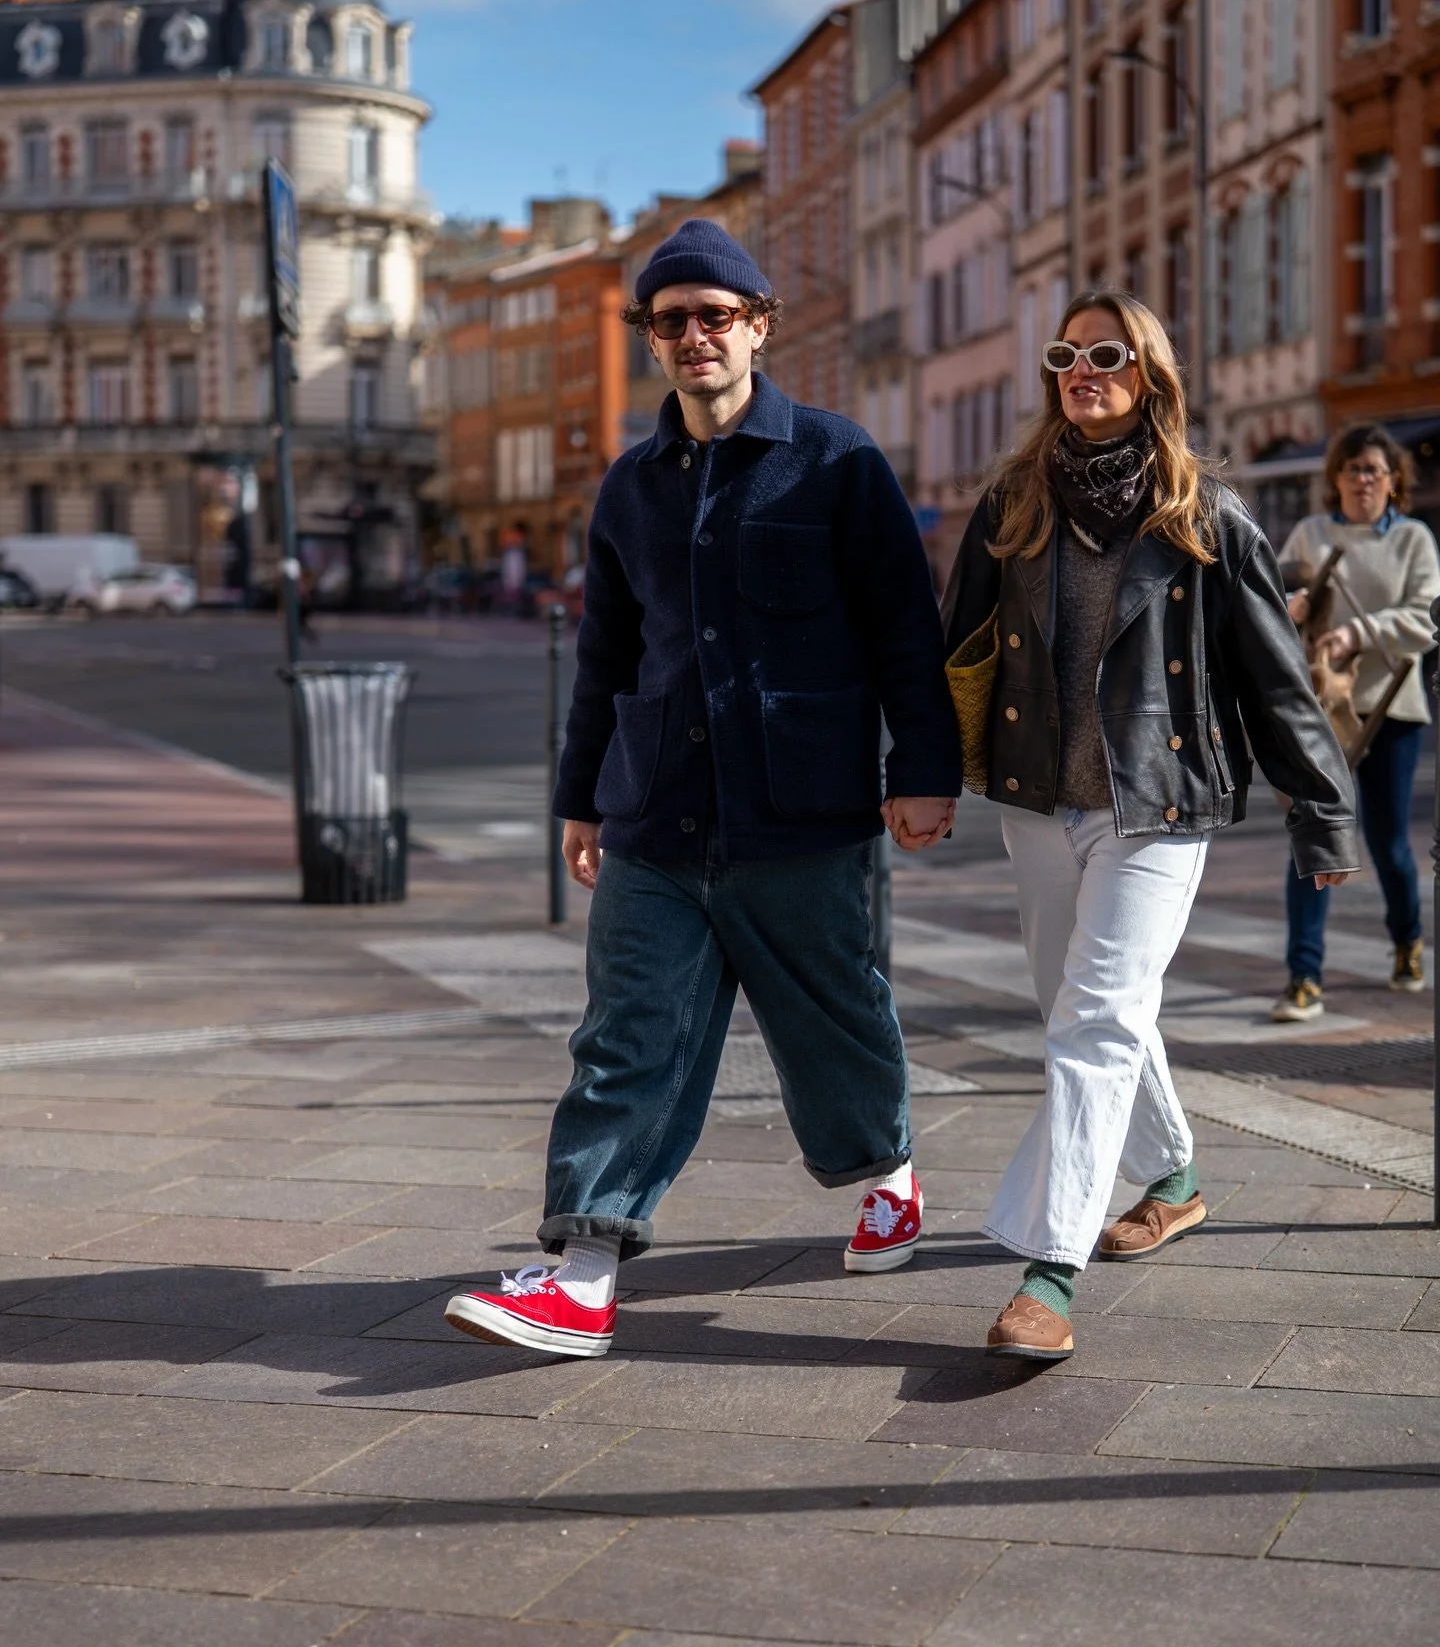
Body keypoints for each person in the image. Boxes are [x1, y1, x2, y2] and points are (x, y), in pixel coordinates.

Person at [445, 219, 962, 1359]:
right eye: (669, 320)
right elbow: (606, 656)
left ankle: (889, 1168)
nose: (693, 336)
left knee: (834, 1016)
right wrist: (582, 797)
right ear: (651, 339)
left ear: (758, 328)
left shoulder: (836, 460)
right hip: (656, 813)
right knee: (627, 1036)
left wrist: (922, 770)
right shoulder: (631, 486)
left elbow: (902, 633)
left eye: (714, 316)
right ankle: (582, 1270)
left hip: (805, 809)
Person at [942, 289, 1356, 1363]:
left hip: (1161, 805)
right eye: (1066, 354)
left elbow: (1276, 681)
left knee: (1093, 1020)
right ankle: (1172, 1177)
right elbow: (953, 652)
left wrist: (1324, 816)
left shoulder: (1203, 512)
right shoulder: (1014, 504)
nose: (1084, 369)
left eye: (1108, 354)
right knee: (1088, 1009)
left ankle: (1049, 1270)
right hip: (1039, 799)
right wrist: (924, 771)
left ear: (1151, 375)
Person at [1272, 423, 1440, 1021]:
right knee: (1313, 838)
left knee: (1389, 844)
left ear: (1394, 480)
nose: (1362, 480)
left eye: (1374, 469)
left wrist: (1358, 632)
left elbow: (1426, 620)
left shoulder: (1415, 540)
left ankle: (1406, 940)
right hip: (1324, 710)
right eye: (1351, 469)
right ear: (1334, 479)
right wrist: (1291, 609)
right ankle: (1303, 977)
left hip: (1392, 708)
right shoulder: (1311, 535)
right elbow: (1274, 599)